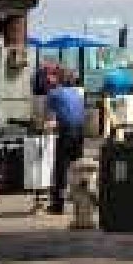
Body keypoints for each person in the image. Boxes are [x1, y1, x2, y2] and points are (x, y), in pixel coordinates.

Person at [43, 69, 85, 214]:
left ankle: (57, 206)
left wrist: (46, 128)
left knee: (60, 169)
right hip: (80, 132)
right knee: (78, 168)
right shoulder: (77, 93)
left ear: (57, 80)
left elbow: (48, 119)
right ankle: (81, 204)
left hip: (66, 132)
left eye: (51, 77)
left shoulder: (53, 93)